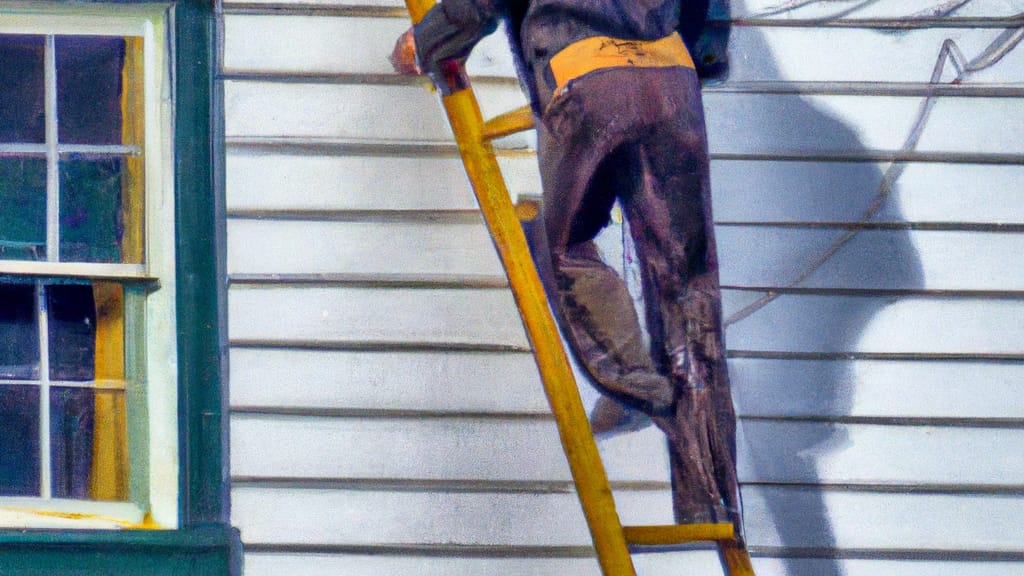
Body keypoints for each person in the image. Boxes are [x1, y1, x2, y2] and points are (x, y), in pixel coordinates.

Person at [391, 0, 742, 536]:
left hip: (587, 76)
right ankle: (709, 497)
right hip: (673, 82)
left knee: (561, 247)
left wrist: (427, 42)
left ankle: (640, 389)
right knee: (689, 286)